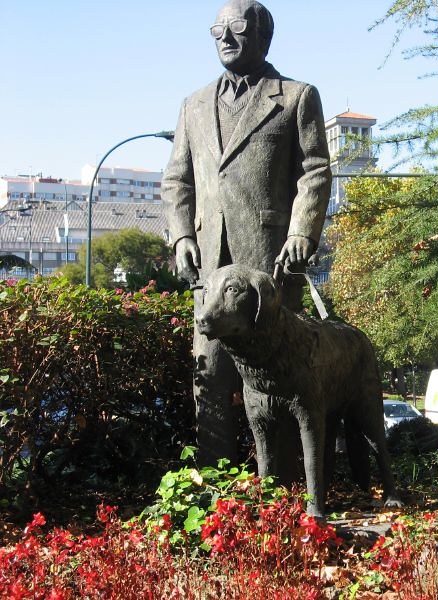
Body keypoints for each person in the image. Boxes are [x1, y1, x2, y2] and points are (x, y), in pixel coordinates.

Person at [162, 0, 331, 466]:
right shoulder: (193, 104)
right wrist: (181, 237)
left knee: (280, 379)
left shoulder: (296, 96)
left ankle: (284, 488)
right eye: (217, 28)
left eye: (236, 27)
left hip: (271, 265)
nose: (225, 36)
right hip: (209, 267)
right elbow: (177, 179)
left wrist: (303, 231)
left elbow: (314, 171)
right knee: (210, 374)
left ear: (263, 36)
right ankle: (217, 483)